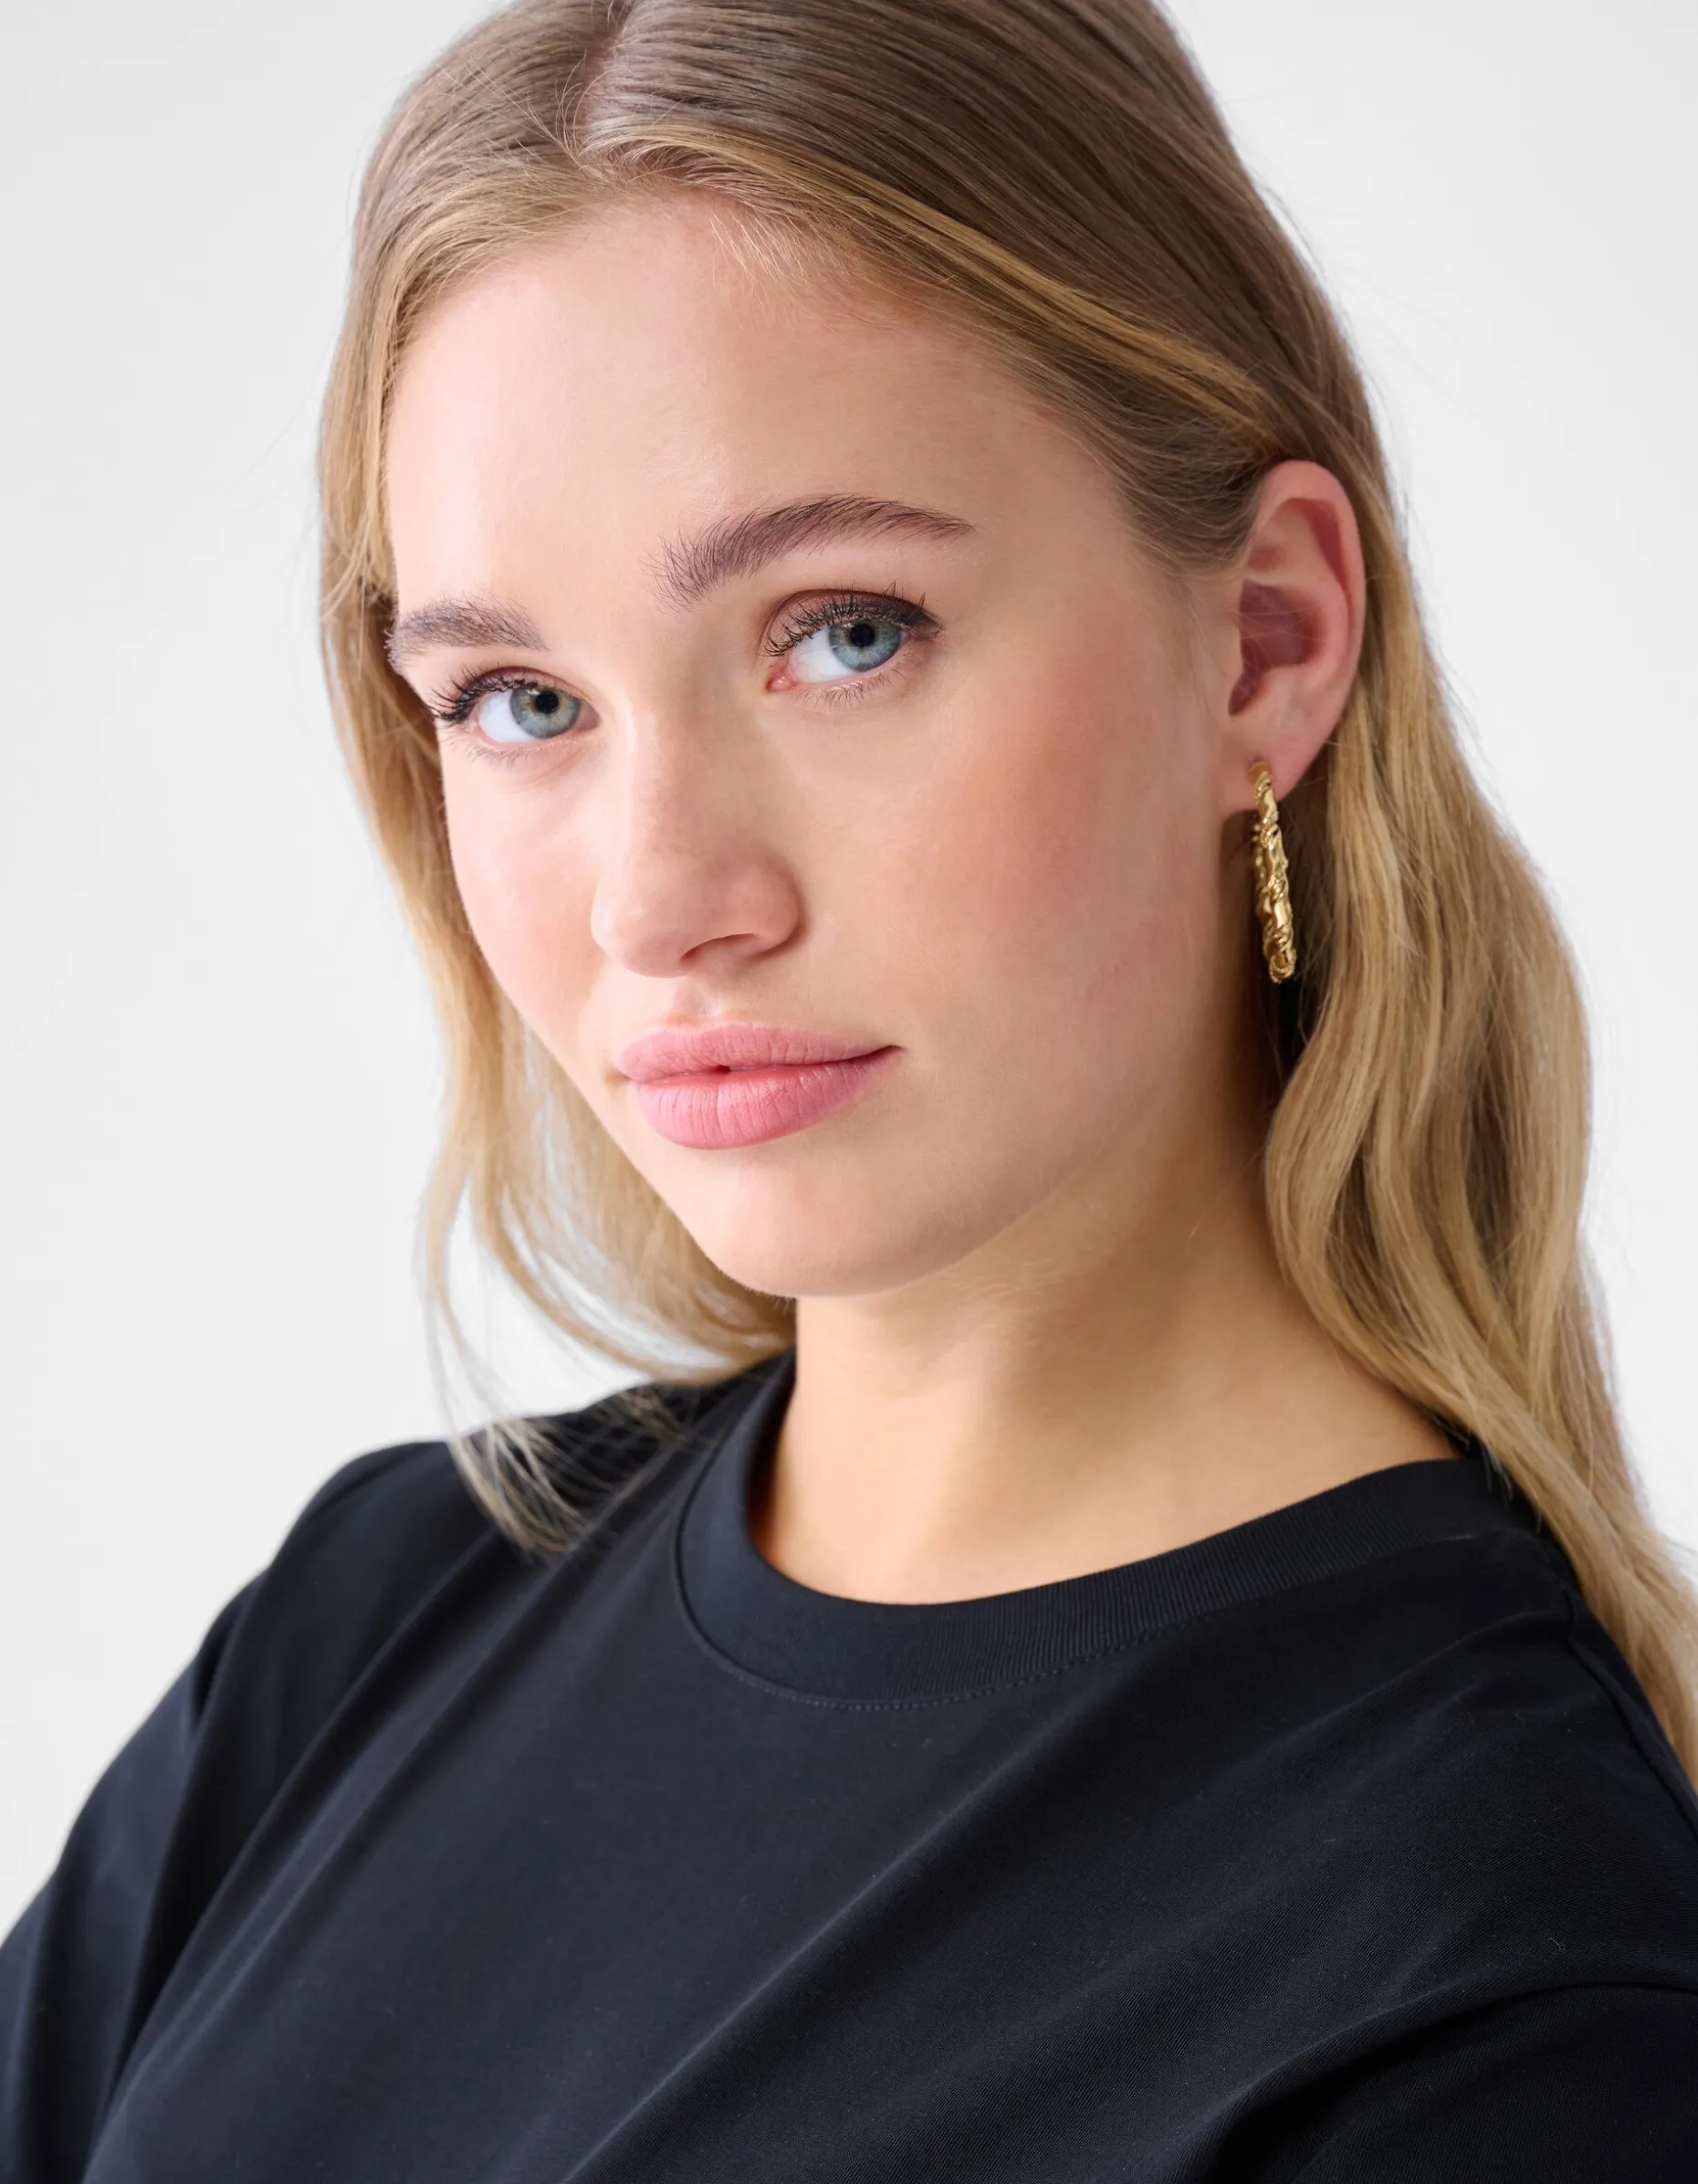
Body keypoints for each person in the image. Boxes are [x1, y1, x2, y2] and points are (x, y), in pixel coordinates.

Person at [5, 0, 1696, 2175]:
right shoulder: (376, 1616)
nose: (662, 898)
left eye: (846, 632)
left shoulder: (1505, 1996)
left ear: (1267, 643)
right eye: (522, 698)